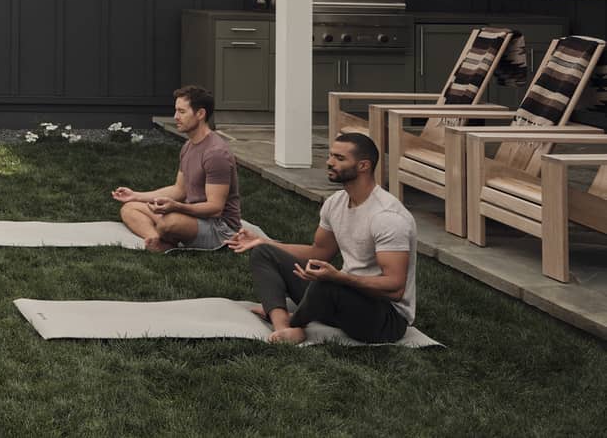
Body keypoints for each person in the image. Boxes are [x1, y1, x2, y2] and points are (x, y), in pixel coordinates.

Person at [226, 132, 417, 344]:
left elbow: (395, 288)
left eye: (339, 158)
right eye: (330, 155)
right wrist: (264, 241)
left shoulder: (388, 217)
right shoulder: (335, 203)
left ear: (364, 166)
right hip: (341, 296)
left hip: (384, 319)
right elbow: (319, 251)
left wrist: (339, 278)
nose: (329, 162)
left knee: (326, 283)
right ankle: (284, 326)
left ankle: (296, 319)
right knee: (264, 253)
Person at [111, 85, 240, 251]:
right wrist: (135, 195)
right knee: (130, 208)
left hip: (220, 228)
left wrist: (177, 207)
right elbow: (179, 190)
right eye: (176, 111)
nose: (175, 117)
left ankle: (166, 235)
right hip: (193, 216)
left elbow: (215, 209)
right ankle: (155, 238)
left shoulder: (216, 153)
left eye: (182, 112)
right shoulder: (188, 145)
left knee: (169, 222)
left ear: (200, 114)